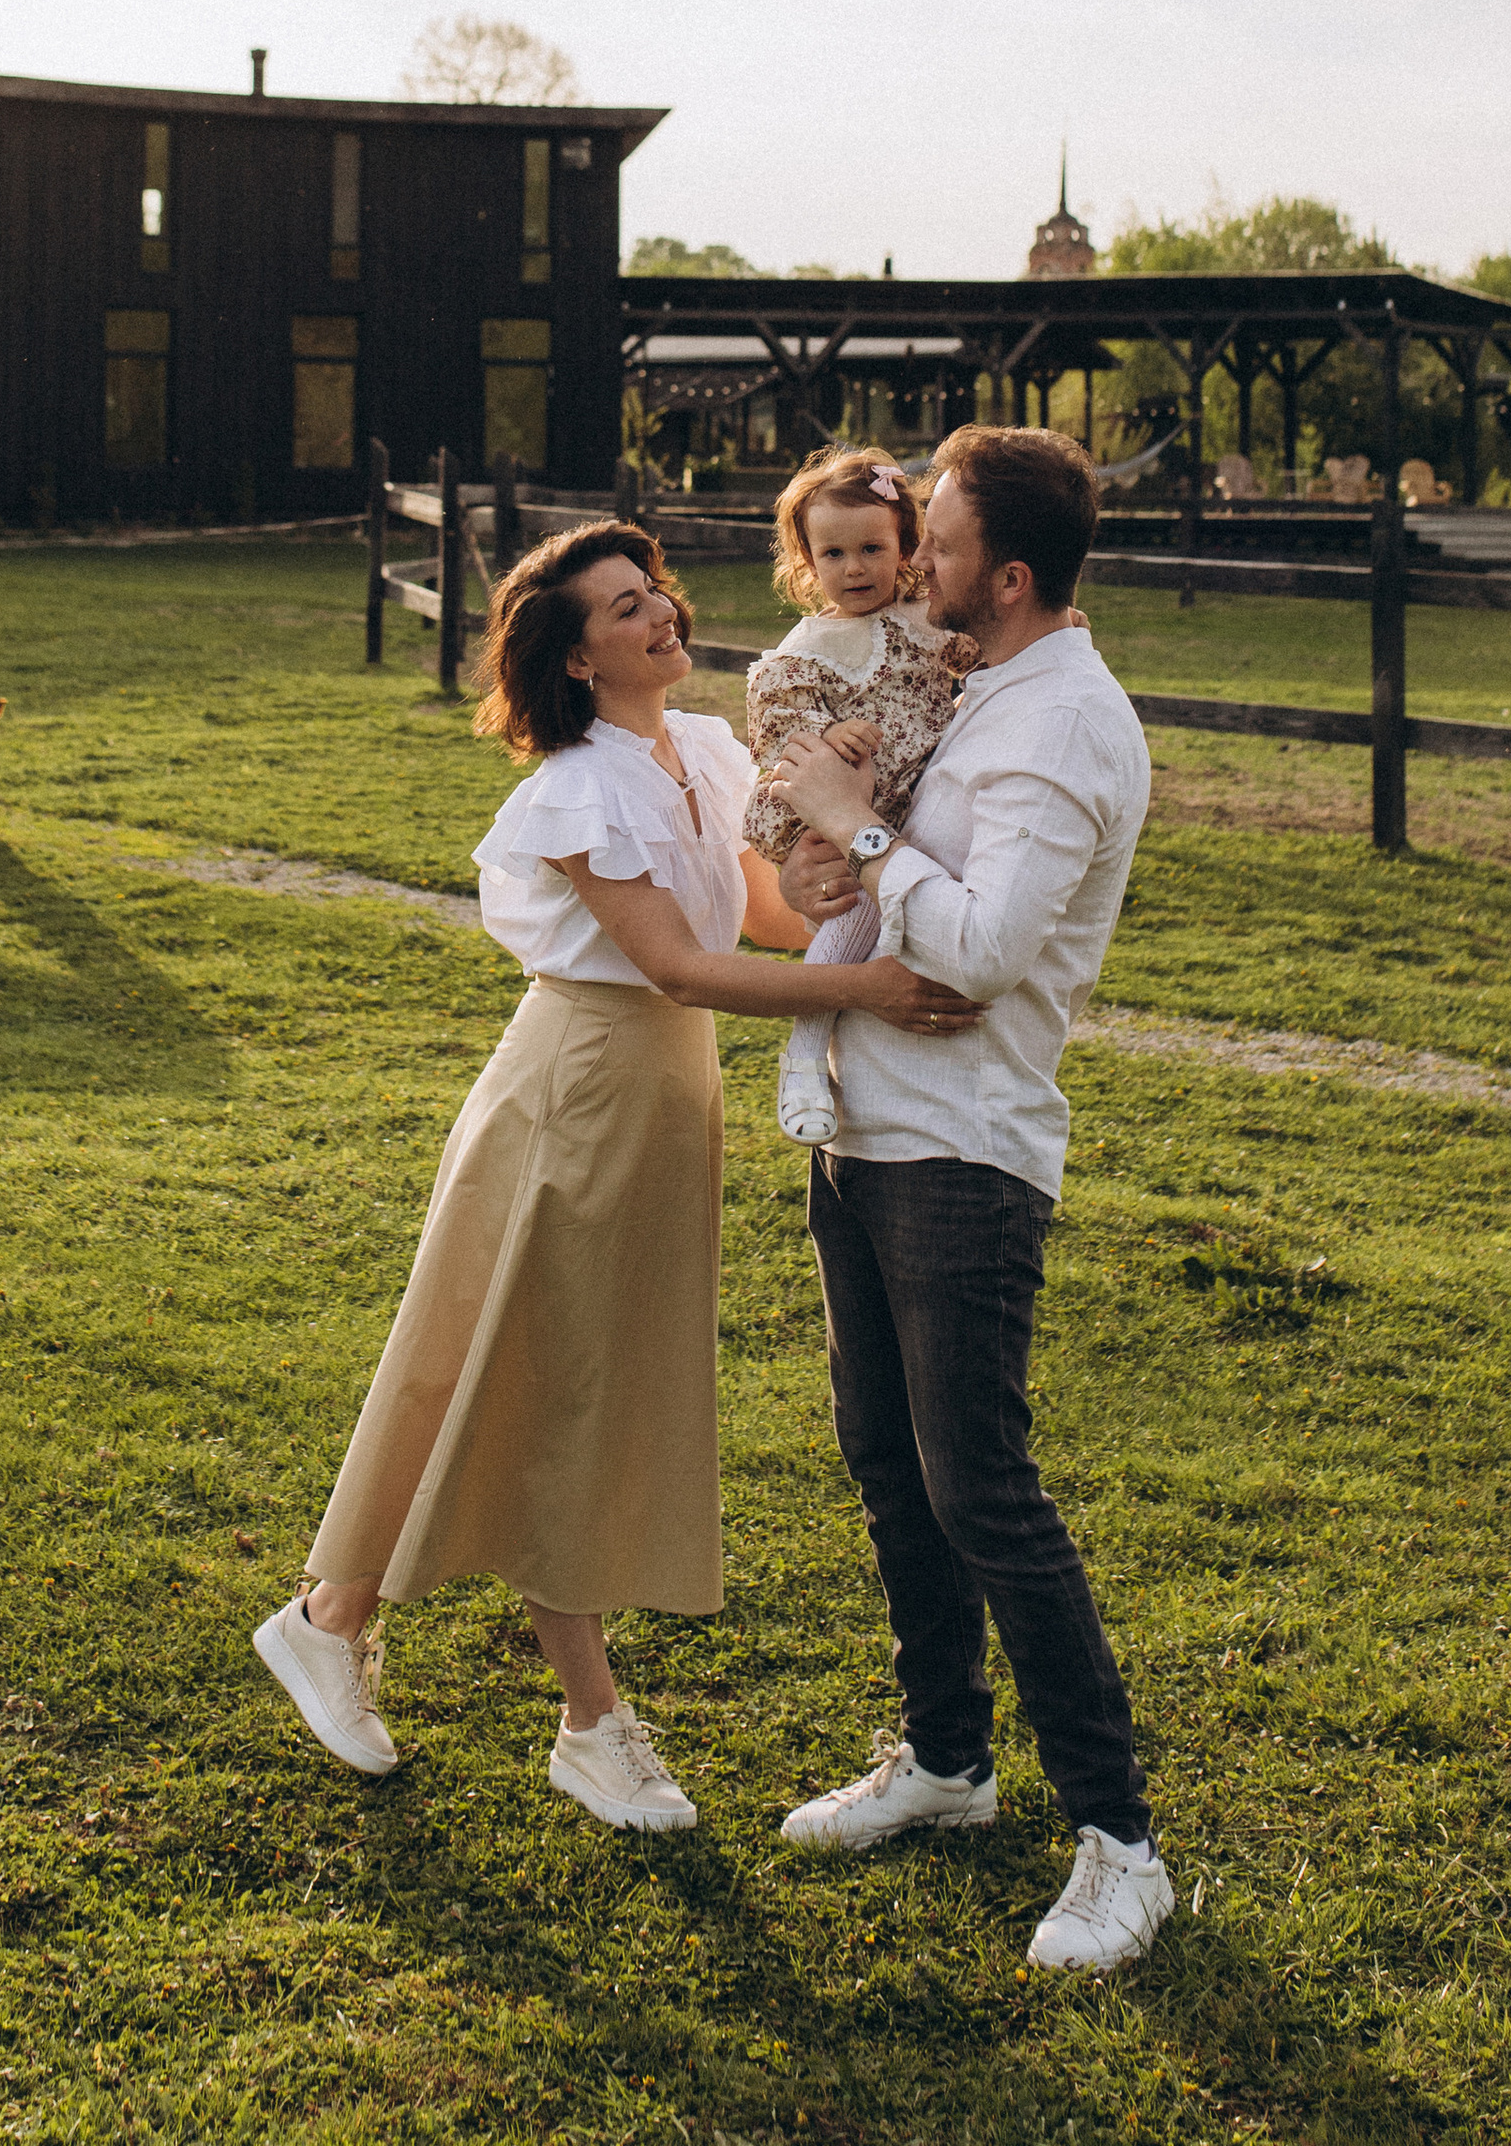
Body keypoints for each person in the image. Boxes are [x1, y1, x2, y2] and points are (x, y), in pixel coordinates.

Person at [253, 517, 981, 1834]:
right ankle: (589, 1723)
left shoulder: (698, 748)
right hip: (578, 1092)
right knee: (551, 1382)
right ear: (577, 660)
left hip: (661, 1098)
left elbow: (754, 919)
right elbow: (676, 966)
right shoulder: (579, 787)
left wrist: (840, 869)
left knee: (506, 1364)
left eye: (656, 595)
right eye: (623, 610)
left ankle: (331, 1616)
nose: (660, 619)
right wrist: (870, 985)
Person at [766, 424, 1174, 1975]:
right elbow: (879, 885)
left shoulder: (1063, 725)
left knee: (982, 1490)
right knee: (891, 1462)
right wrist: (823, 861)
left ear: (1004, 577)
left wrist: (856, 826)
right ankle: (946, 1763)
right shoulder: (977, 685)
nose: (905, 563)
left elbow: (986, 950)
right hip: (866, 1129)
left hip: (967, 1150)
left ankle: (1121, 1847)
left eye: (932, 544)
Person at [744, 448, 973, 1147]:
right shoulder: (807, 649)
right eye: (833, 553)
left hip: (927, 808)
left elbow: (988, 659)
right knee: (852, 922)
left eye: (873, 548)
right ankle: (805, 1057)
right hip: (851, 814)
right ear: (807, 562)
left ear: (906, 543)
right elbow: (779, 740)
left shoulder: (927, 621)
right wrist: (830, 731)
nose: (855, 568)